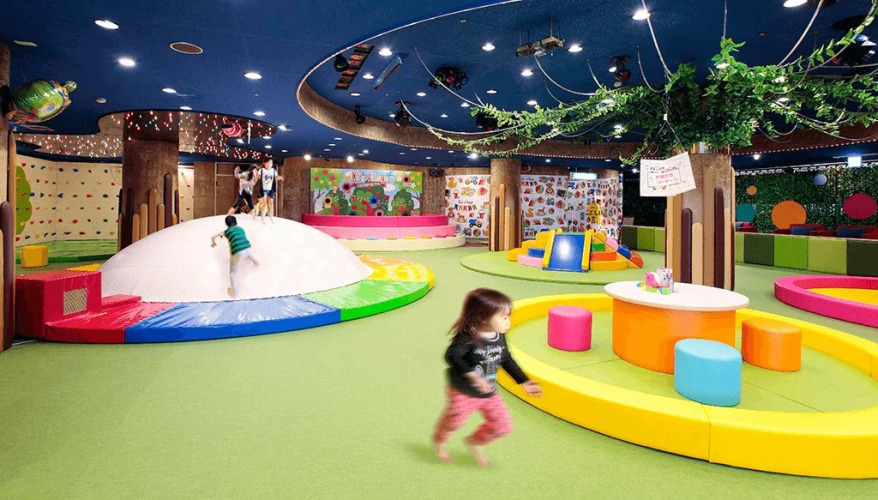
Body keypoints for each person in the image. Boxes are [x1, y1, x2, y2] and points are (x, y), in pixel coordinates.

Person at [432, 288, 542, 468]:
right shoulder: (468, 337)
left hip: (488, 392)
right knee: (454, 422)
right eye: (504, 317)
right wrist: (473, 376)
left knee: (503, 427)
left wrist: (523, 380)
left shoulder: (499, 336)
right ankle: (440, 440)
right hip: (464, 391)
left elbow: (505, 359)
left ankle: (474, 442)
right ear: (483, 317)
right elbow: (452, 356)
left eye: (508, 316)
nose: (508, 322)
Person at [211, 215, 259, 297]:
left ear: (227, 224)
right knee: (248, 255)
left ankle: (234, 293)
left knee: (232, 274)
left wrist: (213, 243)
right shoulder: (241, 229)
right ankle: (256, 263)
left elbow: (213, 237)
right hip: (248, 248)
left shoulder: (227, 231)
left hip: (237, 252)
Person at [256, 157, 283, 223]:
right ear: (265, 163)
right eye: (269, 163)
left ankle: (271, 218)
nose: (270, 164)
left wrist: (281, 177)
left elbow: (276, 177)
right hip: (263, 189)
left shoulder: (273, 170)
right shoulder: (261, 170)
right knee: (264, 204)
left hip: (271, 189)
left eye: (271, 163)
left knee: (270, 203)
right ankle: (262, 219)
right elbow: (257, 177)